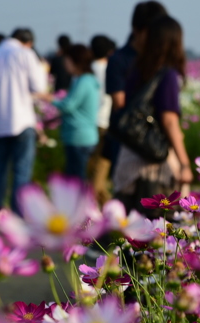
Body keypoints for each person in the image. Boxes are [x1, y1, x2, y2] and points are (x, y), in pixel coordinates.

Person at [113, 15, 191, 216]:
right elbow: (169, 121)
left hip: (130, 155)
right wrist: (184, 163)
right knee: (156, 230)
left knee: (129, 227)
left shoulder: (137, 68)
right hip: (154, 161)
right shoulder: (167, 74)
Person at [0, 27, 48, 233]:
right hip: (22, 121)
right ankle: (18, 220)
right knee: (21, 173)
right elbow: (39, 88)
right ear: (28, 43)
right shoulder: (26, 54)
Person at [104, 2, 169, 184]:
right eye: (152, 32)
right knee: (128, 193)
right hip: (127, 138)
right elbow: (119, 102)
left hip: (153, 139)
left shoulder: (158, 60)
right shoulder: (120, 59)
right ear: (136, 29)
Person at [46, 44, 100, 181]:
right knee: (77, 176)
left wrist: (50, 98)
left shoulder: (84, 81)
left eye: (67, 60)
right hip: (81, 135)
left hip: (79, 136)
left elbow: (69, 106)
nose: (65, 63)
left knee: (76, 179)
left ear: (75, 61)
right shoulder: (87, 80)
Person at [88, 34, 116, 203]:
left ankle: (101, 202)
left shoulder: (88, 68)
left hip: (89, 121)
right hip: (105, 120)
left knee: (92, 165)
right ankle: (105, 203)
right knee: (102, 165)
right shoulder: (110, 67)